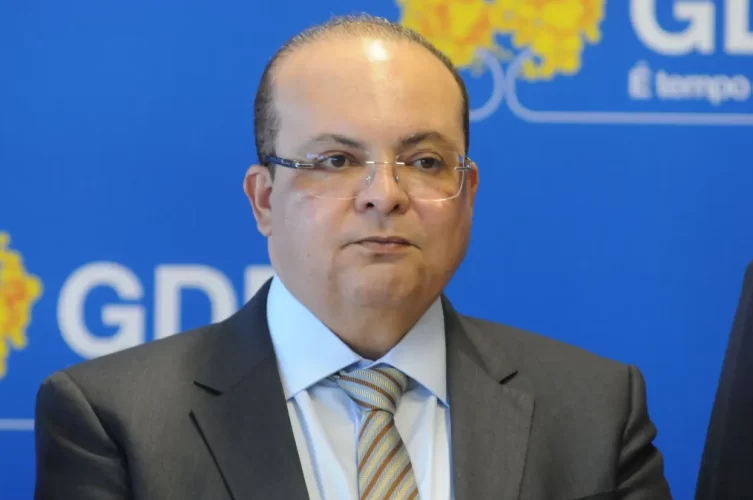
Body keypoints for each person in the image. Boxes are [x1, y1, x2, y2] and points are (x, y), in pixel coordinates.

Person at [33, 14, 672, 500]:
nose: (384, 195)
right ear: (264, 200)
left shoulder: (594, 410)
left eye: (424, 162)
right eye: (336, 160)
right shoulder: (116, 421)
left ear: (467, 194)